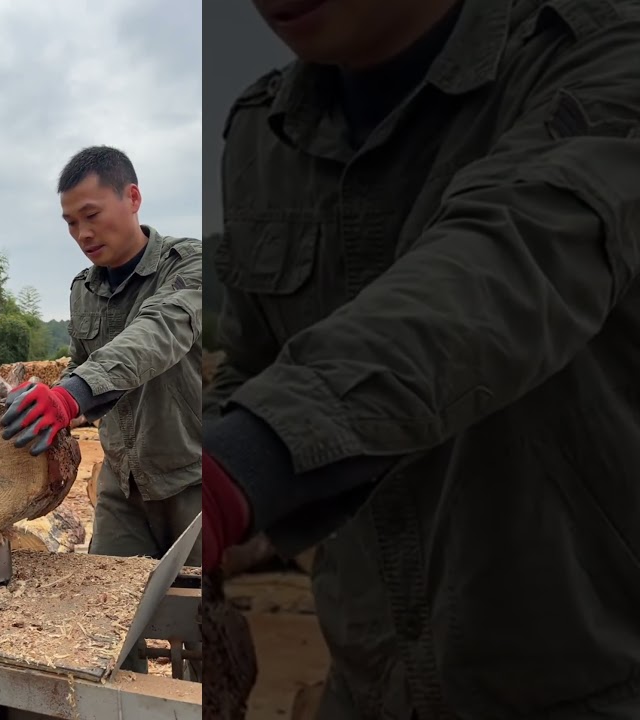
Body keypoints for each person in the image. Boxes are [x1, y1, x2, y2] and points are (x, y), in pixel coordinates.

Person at [203, 0, 640, 716]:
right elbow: (256, 364)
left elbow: (507, 264)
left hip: (593, 688)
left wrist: (248, 464)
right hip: (370, 683)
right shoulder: (265, 131)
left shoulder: (600, 53)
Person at [0, 145, 203, 669]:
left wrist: (68, 396)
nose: (82, 234)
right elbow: (89, 368)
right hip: (123, 482)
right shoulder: (84, 290)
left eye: (92, 215)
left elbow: (155, 335)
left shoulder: (192, 266)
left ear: (132, 198)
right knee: (106, 629)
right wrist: (45, 405)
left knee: (211, 634)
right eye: (70, 223)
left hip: (198, 479)